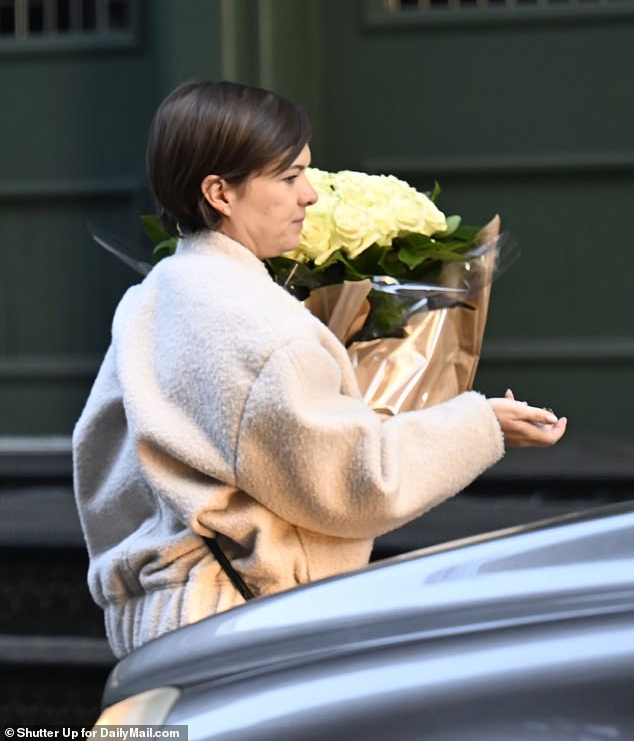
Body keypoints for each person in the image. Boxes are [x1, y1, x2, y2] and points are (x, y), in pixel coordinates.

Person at [73, 80, 567, 659]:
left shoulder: (154, 295)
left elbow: (101, 461)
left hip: (157, 626)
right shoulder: (255, 324)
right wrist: (483, 424)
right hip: (235, 633)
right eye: (288, 177)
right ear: (220, 193)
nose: (310, 195)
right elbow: (359, 479)